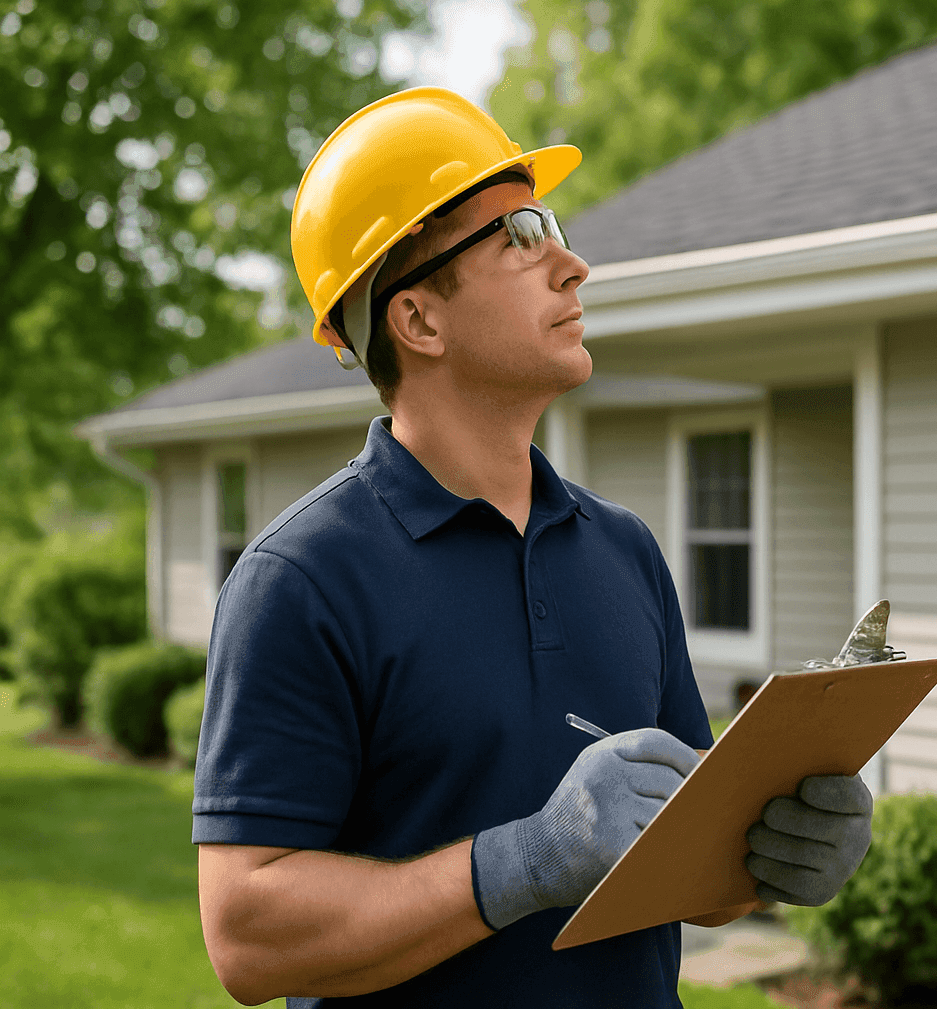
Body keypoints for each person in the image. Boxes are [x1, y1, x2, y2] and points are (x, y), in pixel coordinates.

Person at [193, 87, 873, 1008]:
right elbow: (246, 935)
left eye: (551, 226)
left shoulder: (625, 550)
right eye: (520, 232)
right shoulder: (300, 580)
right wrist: (523, 861)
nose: (572, 264)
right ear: (418, 321)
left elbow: (678, 854)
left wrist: (776, 853)